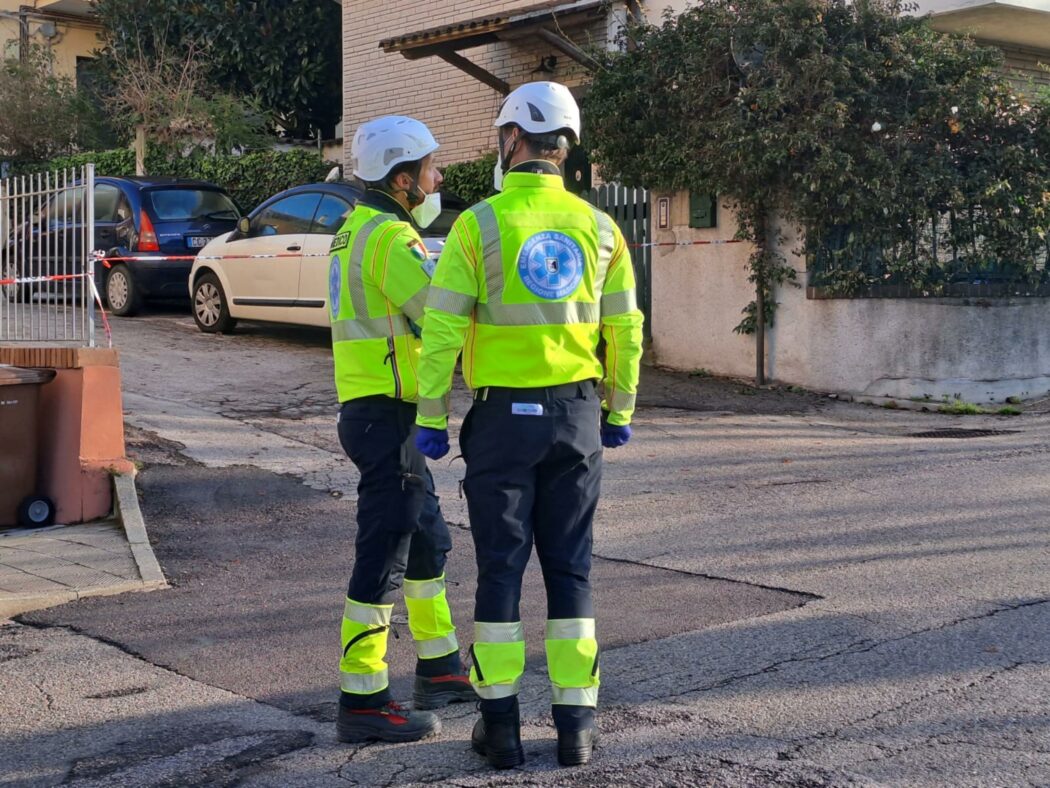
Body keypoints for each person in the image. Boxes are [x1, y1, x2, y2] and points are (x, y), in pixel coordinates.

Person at [413, 82, 644, 768]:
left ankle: (502, 728)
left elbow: (442, 332)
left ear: (513, 139)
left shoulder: (476, 225)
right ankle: (576, 726)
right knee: (571, 569)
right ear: (566, 147)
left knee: (501, 572)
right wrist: (619, 408)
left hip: (502, 421)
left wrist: (431, 418)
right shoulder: (602, 229)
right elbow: (626, 328)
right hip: (575, 415)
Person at [329, 115, 476, 744]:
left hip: (380, 413)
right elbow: (438, 314)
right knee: (385, 554)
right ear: (401, 177)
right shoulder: (391, 238)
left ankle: (440, 666)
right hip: (386, 414)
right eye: (431, 168)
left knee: (428, 541)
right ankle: (363, 697)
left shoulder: (354, 229)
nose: (438, 178)